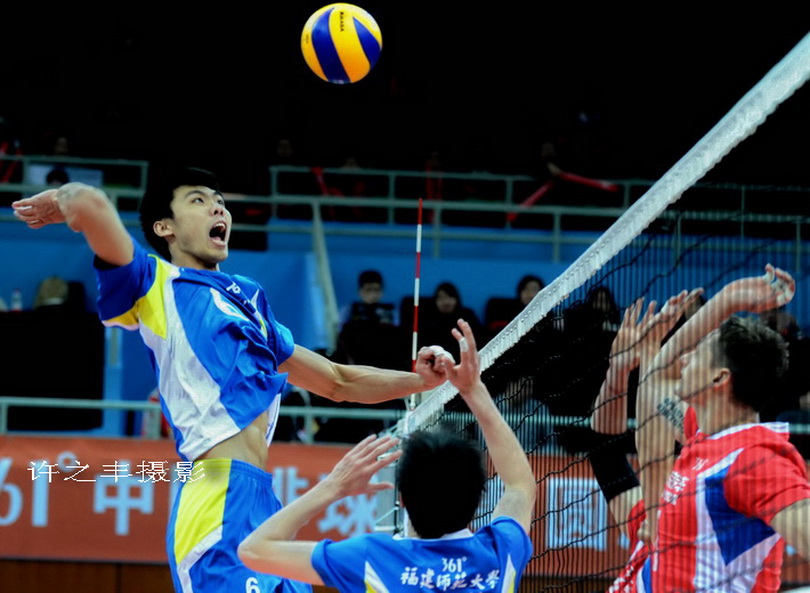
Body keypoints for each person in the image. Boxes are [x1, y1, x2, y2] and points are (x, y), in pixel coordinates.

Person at [11, 167, 453, 593]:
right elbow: (90, 202)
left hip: (264, 501)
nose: (217, 209)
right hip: (214, 498)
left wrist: (421, 382)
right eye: (198, 201)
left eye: (220, 202)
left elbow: (339, 381)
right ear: (164, 227)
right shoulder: (153, 284)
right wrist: (60, 200)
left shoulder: (250, 300)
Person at [238, 319, 536, 593]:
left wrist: (334, 486)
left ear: (402, 499)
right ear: (480, 497)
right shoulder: (501, 554)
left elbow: (254, 550)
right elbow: (520, 486)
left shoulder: (373, 557)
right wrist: (472, 389)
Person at [631, 264, 810, 593]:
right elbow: (658, 375)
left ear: (719, 378)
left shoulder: (755, 461)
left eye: (697, 354)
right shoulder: (705, 436)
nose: (684, 360)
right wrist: (726, 301)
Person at [417, 282, 483, 363]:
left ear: (456, 299)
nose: (446, 302)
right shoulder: (428, 320)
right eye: (441, 298)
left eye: (450, 297)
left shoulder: (467, 316)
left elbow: (478, 342)